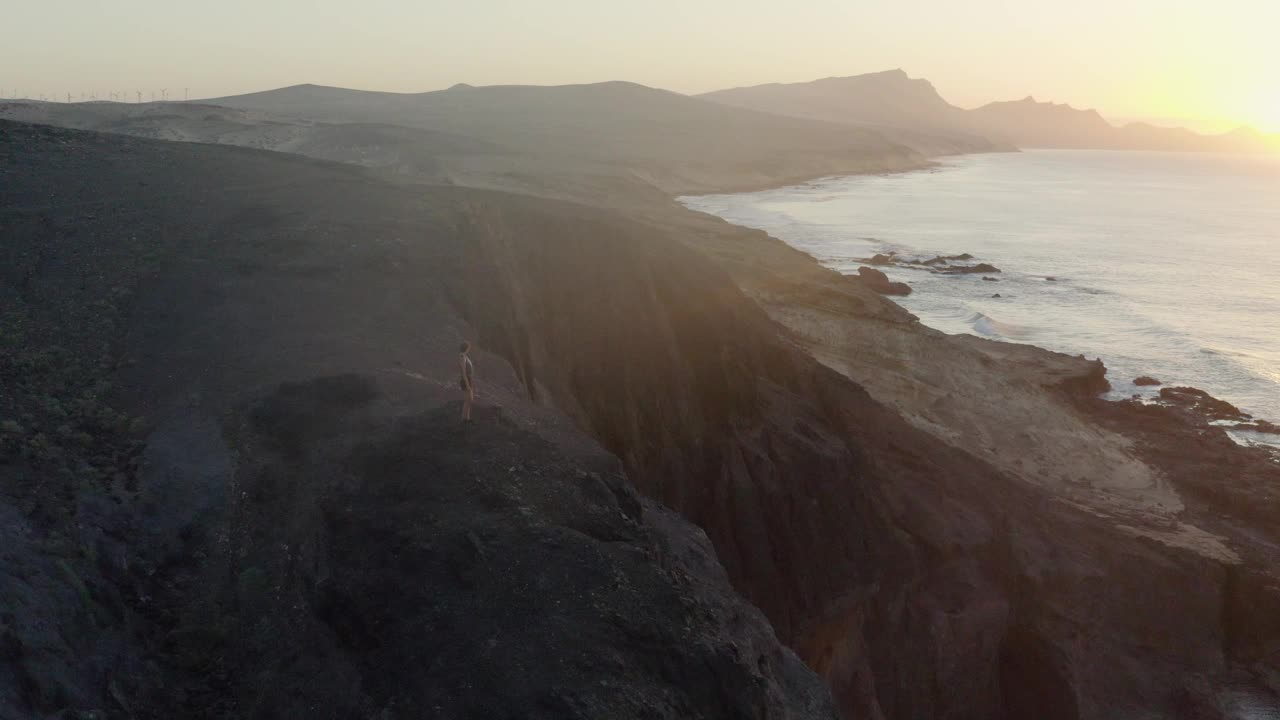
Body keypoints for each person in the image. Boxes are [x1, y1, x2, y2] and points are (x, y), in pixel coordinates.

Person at [458, 341, 475, 422]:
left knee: (470, 399)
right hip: (466, 380)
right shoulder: (462, 356)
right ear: (466, 348)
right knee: (468, 399)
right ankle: (464, 419)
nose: (469, 349)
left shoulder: (464, 356)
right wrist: (467, 384)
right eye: (468, 347)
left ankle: (467, 418)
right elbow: (463, 372)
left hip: (468, 379)